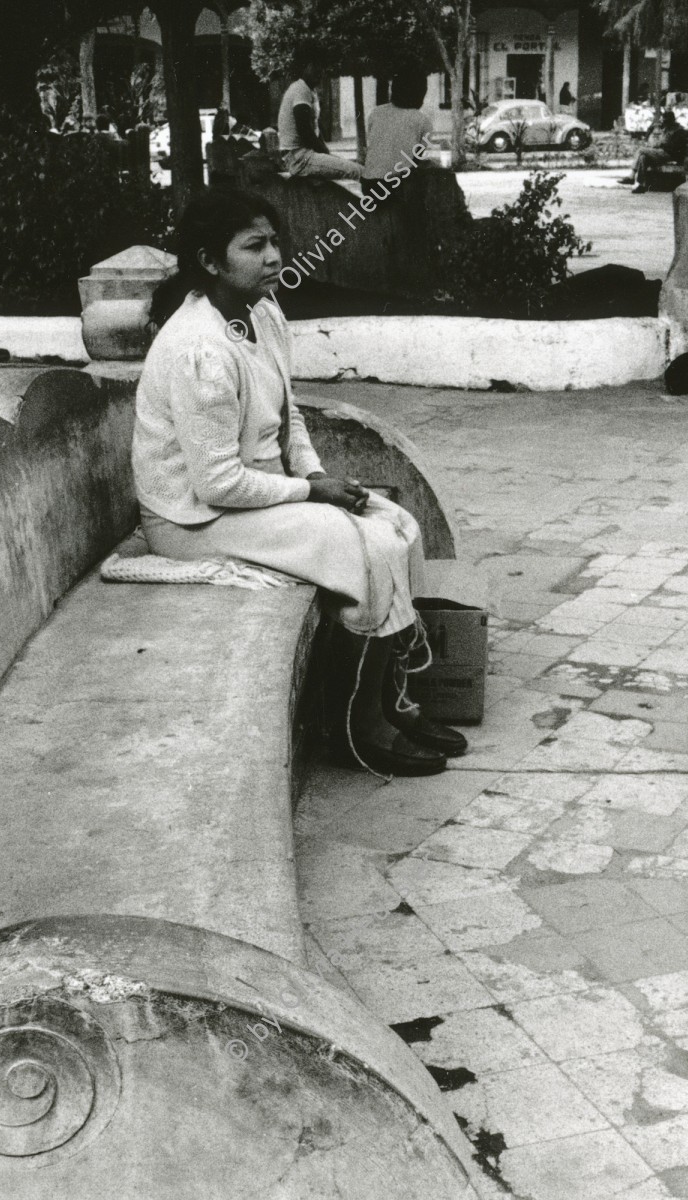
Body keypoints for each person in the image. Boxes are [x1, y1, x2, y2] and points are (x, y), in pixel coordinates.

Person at [137, 189, 465, 775]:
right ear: (211, 262)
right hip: (193, 521)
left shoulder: (262, 313)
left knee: (396, 522)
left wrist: (315, 472)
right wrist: (312, 493)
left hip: (254, 497)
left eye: (275, 242)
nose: (273, 256)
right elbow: (215, 485)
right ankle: (358, 728)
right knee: (363, 546)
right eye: (254, 246)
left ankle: (391, 699)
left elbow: (289, 417)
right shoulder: (199, 350)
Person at [277, 47, 363, 180]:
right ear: (304, 67)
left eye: (322, 68)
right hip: (299, 158)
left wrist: (328, 155)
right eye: (315, 67)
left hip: (301, 156)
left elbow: (314, 130)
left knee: (351, 167)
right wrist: (326, 154)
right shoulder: (301, 89)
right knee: (357, 171)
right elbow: (305, 130)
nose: (320, 72)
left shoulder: (308, 90)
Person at [362, 71, 434, 184]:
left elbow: (373, 144)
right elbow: (415, 159)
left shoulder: (376, 112)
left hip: (369, 182)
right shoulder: (423, 120)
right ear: (420, 93)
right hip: (397, 185)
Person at [628, 108, 688, 192]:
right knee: (643, 157)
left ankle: (632, 175)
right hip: (663, 153)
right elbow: (662, 142)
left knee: (641, 150)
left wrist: (659, 144)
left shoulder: (678, 130)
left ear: (671, 120)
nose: (663, 123)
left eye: (665, 121)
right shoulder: (668, 129)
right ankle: (641, 185)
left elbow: (671, 146)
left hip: (670, 155)